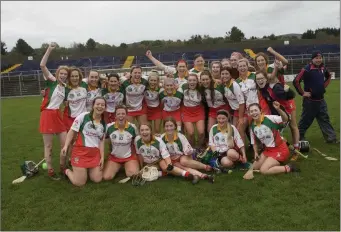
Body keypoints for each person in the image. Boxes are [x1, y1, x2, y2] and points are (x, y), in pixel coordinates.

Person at [293, 51, 338, 144]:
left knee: (325, 119)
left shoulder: (323, 68)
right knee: (305, 120)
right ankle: (300, 137)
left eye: (320, 58)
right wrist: (303, 93)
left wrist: (323, 86)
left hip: (321, 100)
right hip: (310, 101)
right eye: (316, 58)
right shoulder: (307, 69)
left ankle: (331, 138)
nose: (318, 60)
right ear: (312, 59)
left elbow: (329, 76)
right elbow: (296, 81)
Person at [62, 97, 106, 186]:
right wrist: (66, 145)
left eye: (102, 105)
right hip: (80, 152)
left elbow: (101, 141)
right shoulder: (83, 116)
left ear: (105, 107)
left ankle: (86, 170)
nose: (100, 106)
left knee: (97, 179)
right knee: (80, 183)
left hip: (94, 154)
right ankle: (66, 170)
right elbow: (72, 131)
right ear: (93, 105)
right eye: (98, 104)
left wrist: (102, 157)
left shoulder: (104, 123)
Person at [39, 42, 68, 180]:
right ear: (57, 73)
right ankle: (50, 170)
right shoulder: (52, 80)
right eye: (61, 73)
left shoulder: (65, 87)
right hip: (47, 114)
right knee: (49, 145)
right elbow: (42, 65)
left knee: (64, 143)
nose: (63, 75)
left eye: (65, 74)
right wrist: (49, 50)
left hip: (58, 115)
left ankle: (63, 167)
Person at [135, 123, 201, 182]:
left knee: (166, 167)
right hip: (148, 163)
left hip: (158, 160)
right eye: (142, 130)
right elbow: (139, 154)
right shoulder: (137, 140)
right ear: (139, 132)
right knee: (143, 173)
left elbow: (165, 155)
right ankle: (165, 173)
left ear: (151, 131)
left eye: (147, 130)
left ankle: (188, 175)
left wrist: (170, 165)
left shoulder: (158, 141)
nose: (144, 132)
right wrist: (141, 167)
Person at [249, 102, 300, 175]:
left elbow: (285, 119)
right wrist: (256, 153)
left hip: (280, 149)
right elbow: (254, 142)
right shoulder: (252, 126)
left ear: (260, 110)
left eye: (255, 110)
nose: (254, 113)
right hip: (267, 150)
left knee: (263, 170)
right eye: (251, 111)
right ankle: (271, 162)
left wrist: (278, 109)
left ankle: (289, 167)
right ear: (249, 113)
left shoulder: (270, 118)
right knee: (254, 167)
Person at [161, 117, 215, 184]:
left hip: (183, 156)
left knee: (183, 162)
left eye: (171, 126)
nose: (169, 128)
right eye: (167, 126)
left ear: (175, 126)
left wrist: (187, 153)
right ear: (164, 127)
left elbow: (188, 151)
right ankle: (203, 175)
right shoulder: (161, 138)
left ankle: (205, 167)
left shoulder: (180, 136)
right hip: (171, 159)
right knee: (181, 166)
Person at [103, 105, 140, 180]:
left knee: (133, 175)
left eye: (123, 114)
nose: (121, 116)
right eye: (118, 114)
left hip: (129, 157)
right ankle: (117, 166)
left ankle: (127, 165)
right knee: (107, 177)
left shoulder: (132, 127)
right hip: (115, 157)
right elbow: (102, 140)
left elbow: (137, 141)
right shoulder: (109, 127)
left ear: (126, 115)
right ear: (115, 116)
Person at [200, 70, 229, 139]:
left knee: (225, 128)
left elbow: (228, 96)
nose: (205, 81)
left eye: (207, 79)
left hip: (223, 108)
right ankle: (212, 145)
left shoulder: (218, 85)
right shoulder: (201, 87)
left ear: (210, 79)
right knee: (210, 129)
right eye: (203, 80)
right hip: (212, 110)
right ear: (200, 80)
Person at [181, 73, 205, 148]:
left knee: (201, 132)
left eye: (194, 80)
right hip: (187, 112)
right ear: (187, 81)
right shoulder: (183, 87)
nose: (192, 82)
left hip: (198, 111)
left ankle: (199, 147)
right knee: (190, 133)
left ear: (197, 81)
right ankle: (191, 148)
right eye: (190, 80)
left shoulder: (201, 88)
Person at [144, 70, 162, 135]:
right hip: (147, 110)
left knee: (157, 130)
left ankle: (158, 143)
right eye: (151, 80)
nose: (153, 82)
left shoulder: (160, 88)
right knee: (149, 130)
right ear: (148, 80)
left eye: (155, 81)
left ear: (157, 81)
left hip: (157, 110)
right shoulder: (144, 87)